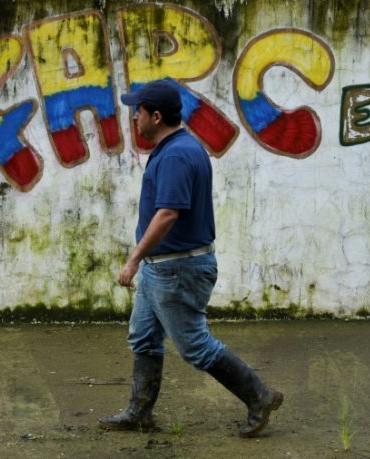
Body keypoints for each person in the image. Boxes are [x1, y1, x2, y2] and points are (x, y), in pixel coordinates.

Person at [98, 79, 283, 437]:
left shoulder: (178, 154)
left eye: (138, 112)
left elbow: (168, 213)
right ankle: (139, 413)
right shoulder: (174, 149)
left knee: (196, 347)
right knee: (144, 339)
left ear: (156, 115)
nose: (134, 118)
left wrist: (134, 259)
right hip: (162, 269)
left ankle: (259, 396)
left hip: (177, 269)